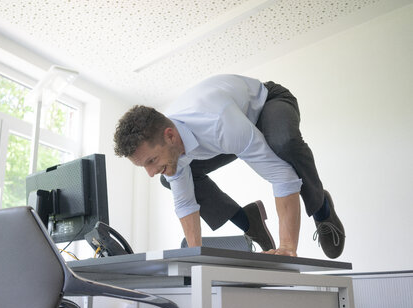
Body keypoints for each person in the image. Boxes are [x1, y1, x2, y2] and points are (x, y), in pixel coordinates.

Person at [113, 74, 345, 258]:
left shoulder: (218, 123)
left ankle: (321, 208)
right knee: (170, 177)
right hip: (231, 132)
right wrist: (196, 258)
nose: (151, 172)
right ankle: (249, 221)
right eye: (144, 166)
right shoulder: (172, 145)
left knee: (283, 143)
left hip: (266, 105)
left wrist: (287, 248)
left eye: (151, 161)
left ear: (170, 136)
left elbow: (282, 176)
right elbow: (185, 203)